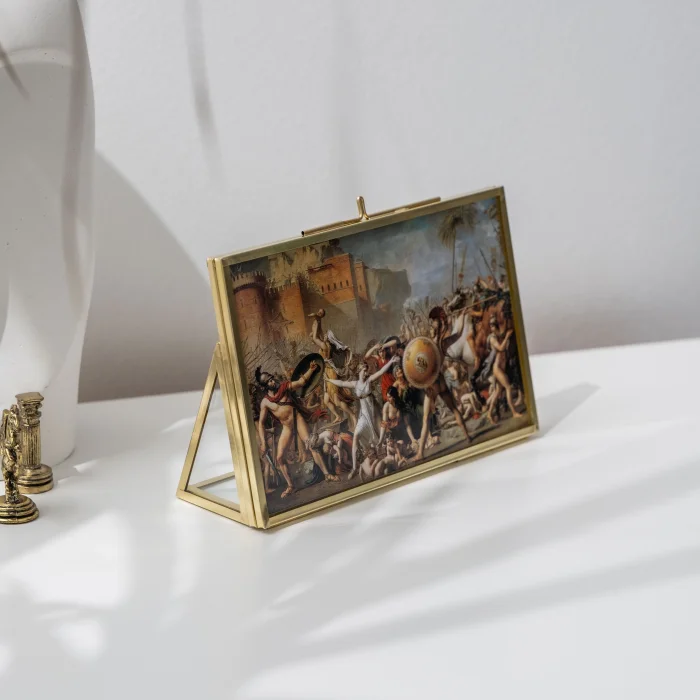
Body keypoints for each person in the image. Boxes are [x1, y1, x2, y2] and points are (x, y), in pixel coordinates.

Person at [256, 363, 340, 498]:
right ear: (265, 386)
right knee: (279, 457)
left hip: (298, 419)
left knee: (311, 445)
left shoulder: (284, 387)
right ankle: (291, 486)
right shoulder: (265, 403)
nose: (273, 381)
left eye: (272, 378)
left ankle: (327, 474)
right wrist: (263, 443)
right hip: (286, 427)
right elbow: (261, 423)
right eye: (269, 381)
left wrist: (311, 369)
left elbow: (301, 382)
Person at [412, 307, 471, 461]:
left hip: (432, 384)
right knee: (454, 409)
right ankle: (468, 436)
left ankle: (420, 453)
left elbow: (422, 367)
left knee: (426, 418)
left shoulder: (428, 345)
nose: (430, 326)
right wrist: (462, 315)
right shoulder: (443, 343)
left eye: (432, 324)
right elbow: (459, 334)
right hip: (442, 381)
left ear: (433, 328)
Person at [327, 355, 400, 479]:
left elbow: (381, 372)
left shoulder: (369, 380)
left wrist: (391, 361)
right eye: (364, 370)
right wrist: (329, 380)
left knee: (380, 439)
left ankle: (383, 460)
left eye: (366, 370)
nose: (366, 372)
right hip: (363, 416)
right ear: (360, 370)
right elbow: (342, 383)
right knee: (356, 436)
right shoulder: (355, 384)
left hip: (373, 414)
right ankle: (355, 468)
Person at [309, 309, 357, 428]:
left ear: (328, 339)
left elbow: (315, 337)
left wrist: (317, 318)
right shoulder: (325, 345)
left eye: (325, 336)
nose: (323, 336)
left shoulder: (325, 346)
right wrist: (318, 320)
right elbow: (318, 334)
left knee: (336, 401)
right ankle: (338, 416)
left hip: (331, 373)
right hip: (327, 373)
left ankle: (352, 414)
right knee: (326, 401)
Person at [484, 316, 524, 424]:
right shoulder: (492, 338)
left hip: (501, 367)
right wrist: (507, 337)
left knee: (497, 392)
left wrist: (506, 335)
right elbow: (501, 348)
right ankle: (514, 412)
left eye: (494, 324)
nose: (492, 327)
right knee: (508, 388)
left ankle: (489, 414)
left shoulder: (498, 336)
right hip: (497, 368)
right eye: (491, 325)